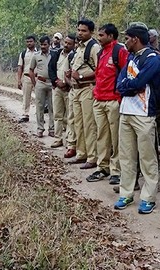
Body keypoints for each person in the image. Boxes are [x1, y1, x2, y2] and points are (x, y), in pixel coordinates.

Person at [114, 25, 160, 214]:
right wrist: (128, 86)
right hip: (126, 112)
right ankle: (126, 193)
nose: (125, 41)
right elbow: (120, 83)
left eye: (127, 38)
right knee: (126, 156)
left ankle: (149, 197)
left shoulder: (153, 59)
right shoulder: (131, 58)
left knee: (147, 158)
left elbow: (140, 82)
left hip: (144, 113)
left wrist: (129, 86)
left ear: (135, 39)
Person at [86, 24, 129, 184]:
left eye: (102, 35)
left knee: (116, 138)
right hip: (99, 100)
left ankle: (116, 171)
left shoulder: (120, 51)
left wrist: (119, 96)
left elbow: (126, 74)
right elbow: (99, 75)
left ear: (111, 36)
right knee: (101, 136)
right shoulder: (101, 52)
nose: (99, 37)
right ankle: (102, 168)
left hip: (113, 101)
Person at [69, 19, 100, 169]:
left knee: (89, 124)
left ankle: (92, 157)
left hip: (87, 89)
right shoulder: (79, 48)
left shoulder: (94, 48)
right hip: (75, 90)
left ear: (91, 32)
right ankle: (81, 154)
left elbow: (100, 71)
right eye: (79, 30)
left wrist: (80, 77)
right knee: (78, 123)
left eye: (84, 31)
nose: (80, 33)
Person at [48, 35, 76, 148]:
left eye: (69, 43)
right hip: (57, 88)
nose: (66, 45)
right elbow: (50, 69)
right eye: (65, 42)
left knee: (70, 116)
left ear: (74, 45)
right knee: (57, 114)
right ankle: (58, 138)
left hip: (69, 89)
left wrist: (66, 83)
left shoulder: (74, 56)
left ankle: (70, 141)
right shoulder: (56, 54)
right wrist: (55, 81)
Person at [29, 35, 54, 138]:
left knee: (53, 107)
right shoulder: (36, 55)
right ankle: (40, 129)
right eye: (41, 44)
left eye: (45, 44)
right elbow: (31, 70)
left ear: (49, 44)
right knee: (40, 107)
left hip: (52, 83)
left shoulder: (54, 54)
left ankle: (52, 129)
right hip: (40, 83)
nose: (43, 46)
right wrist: (34, 83)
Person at [17, 35, 37, 123]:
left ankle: (39, 116)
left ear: (34, 42)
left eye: (31, 41)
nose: (29, 43)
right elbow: (20, 67)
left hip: (37, 78)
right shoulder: (23, 53)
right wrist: (19, 80)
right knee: (26, 96)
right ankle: (25, 114)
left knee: (39, 97)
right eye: (27, 42)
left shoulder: (39, 53)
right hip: (26, 77)